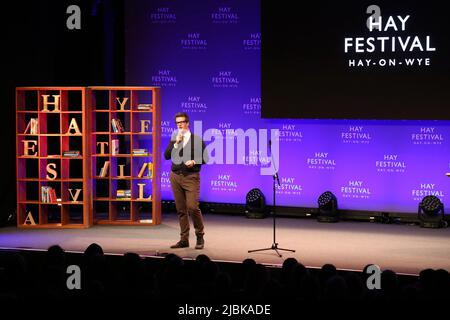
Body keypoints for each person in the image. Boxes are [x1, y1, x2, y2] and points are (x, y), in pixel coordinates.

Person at [164, 112, 209, 249]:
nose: (179, 125)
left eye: (182, 122)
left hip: (191, 177)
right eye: (177, 123)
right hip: (175, 176)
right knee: (181, 209)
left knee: (193, 207)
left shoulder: (197, 139)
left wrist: (194, 161)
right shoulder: (174, 139)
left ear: (187, 123)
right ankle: (184, 239)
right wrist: (176, 143)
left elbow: (205, 158)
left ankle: (200, 236)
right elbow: (166, 156)